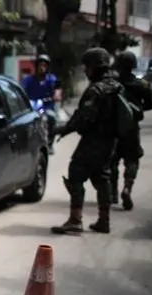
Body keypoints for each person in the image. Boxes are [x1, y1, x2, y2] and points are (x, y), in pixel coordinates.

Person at [51, 47, 124, 235]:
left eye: (87, 66)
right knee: (102, 177)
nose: (85, 70)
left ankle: (75, 220)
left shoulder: (96, 90)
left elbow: (84, 118)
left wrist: (63, 129)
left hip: (94, 141)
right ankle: (104, 220)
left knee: (75, 174)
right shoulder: (116, 86)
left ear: (95, 67)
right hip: (111, 142)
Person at [109, 51, 152, 210]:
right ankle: (127, 188)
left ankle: (112, 193)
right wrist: (136, 109)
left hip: (113, 128)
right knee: (132, 159)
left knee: (112, 161)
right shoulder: (141, 85)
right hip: (131, 128)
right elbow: (151, 104)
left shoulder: (111, 84)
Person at [21, 54, 63, 154]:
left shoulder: (51, 79)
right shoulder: (29, 79)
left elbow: (58, 88)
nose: (42, 68)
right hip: (32, 108)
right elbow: (22, 89)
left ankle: (50, 143)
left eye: (44, 65)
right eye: (40, 65)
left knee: (52, 118)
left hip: (46, 107)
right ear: (36, 66)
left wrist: (57, 94)